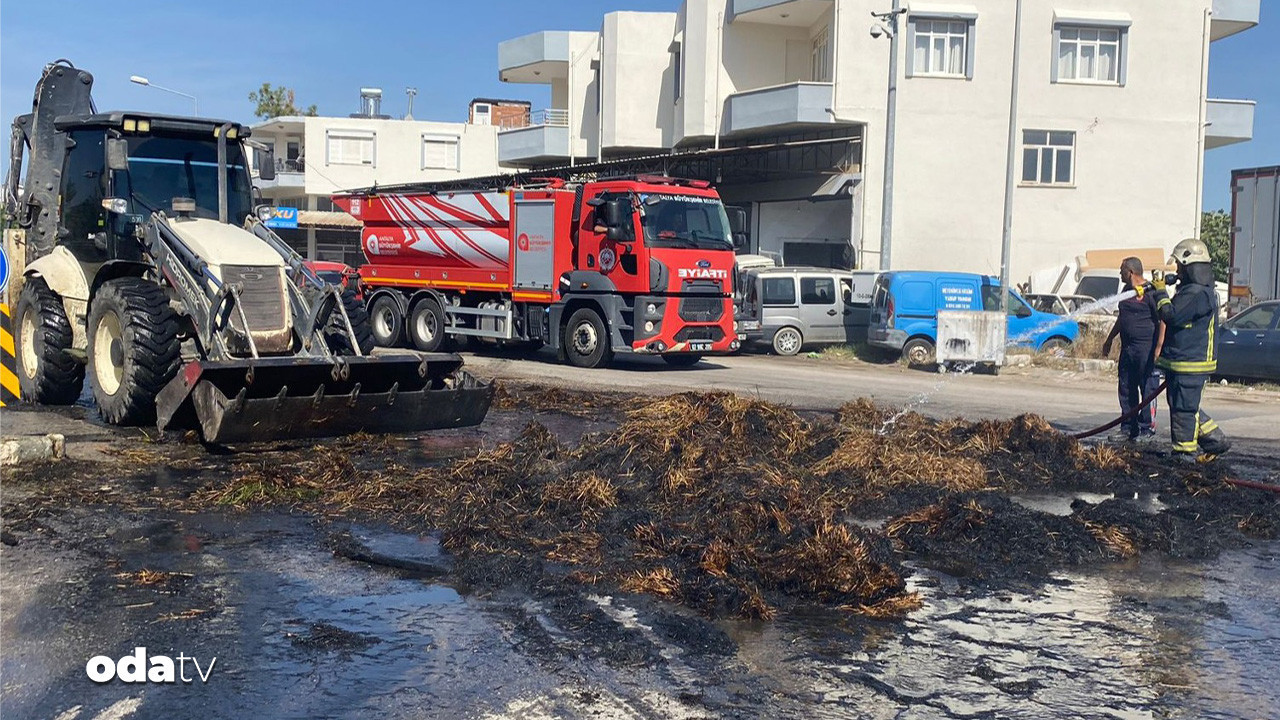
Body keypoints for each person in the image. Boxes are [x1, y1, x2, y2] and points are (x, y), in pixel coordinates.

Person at [1150, 238, 1231, 461]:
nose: (1177, 270)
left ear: (1189, 265)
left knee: (1184, 409)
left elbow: (1171, 315)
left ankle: (1184, 454)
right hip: (1182, 361)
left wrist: (1159, 291)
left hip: (1191, 363)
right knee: (1184, 406)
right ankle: (1214, 440)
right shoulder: (1192, 291)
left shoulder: (1196, 294)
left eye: (1180, 266)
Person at [1101, 257, 1164, 442]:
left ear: (1130, 272)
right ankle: (1128, 427)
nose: (1120, 273)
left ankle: (1147, 429)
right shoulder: (1126, 291)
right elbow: (1122, 318)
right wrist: (1109, 339)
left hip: (1147, 349)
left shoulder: (1151, 291)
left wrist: (1159, 347)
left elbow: (1163, 320)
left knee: (1147, 389)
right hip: (1128, 349)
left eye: (1121, 270)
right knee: (1126, 388)